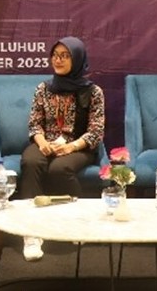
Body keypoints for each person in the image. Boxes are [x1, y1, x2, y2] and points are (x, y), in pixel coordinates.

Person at [19, 36, 105, 261]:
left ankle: (78, 223)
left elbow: (96, 131)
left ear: (77, 59)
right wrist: (42, 143)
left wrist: (70, 147)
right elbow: (34, 124)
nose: (58, 60)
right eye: (55, 56)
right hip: (45, 142)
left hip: (78, 146)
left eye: (65, 56)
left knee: (59, 168)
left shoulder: (93, 92)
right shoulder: (43, 88)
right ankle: (31, 233)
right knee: (30, 161)